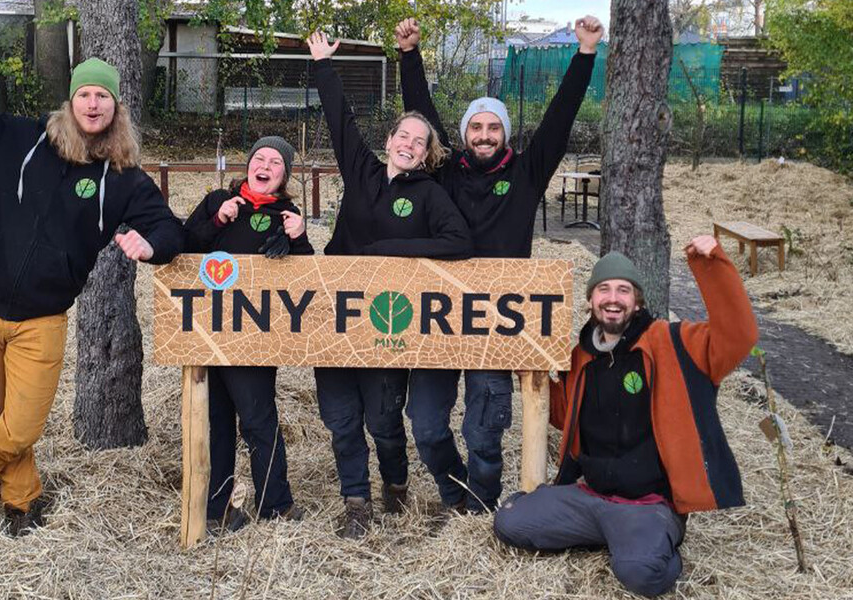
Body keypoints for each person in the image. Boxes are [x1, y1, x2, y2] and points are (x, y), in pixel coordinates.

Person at [0, 54, 184, 537]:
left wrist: (151, 245)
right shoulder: (21, 139)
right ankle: (22, 505)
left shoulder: (123, 177)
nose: (92, 104)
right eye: (84, 94)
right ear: (71, 101)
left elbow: (170, 229)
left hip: (42, 320)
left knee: (20, 426)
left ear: (116, 108)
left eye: (102, 96)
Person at [393, 15, 604, 514]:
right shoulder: (445, 172)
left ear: (504, 134)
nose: (484, 135)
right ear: (465, 134)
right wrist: (409, 55)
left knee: (485, 426)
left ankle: (481, 504)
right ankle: (454, 491)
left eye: (493, 127)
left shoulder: (527, 173)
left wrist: (586, 53)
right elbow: (421, 111)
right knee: (425, 422)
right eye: (476, 127)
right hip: (438, 316)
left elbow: (560, 119)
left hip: (495, 318)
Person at [491, 236, 758, 597]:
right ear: (591, 300)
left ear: (637, 302)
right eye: (603, 289)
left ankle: (651, 542)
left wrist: (712, 267)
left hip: (648, 503)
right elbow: (564, 414)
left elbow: (737, 338)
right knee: (509, 521)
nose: (612, 298)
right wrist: (530, 373)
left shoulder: (674, 343)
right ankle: (610, 535)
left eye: (623, 290)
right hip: (591, 495)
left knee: (641, 575)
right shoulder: (581, 357)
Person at [306, 31, 472, 538]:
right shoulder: (363, 174)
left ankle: (395, 484)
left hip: (388, 320)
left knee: (382, 421)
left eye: (419, 142)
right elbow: (340, 120)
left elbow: (458, 242)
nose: (409, 145)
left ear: (426, 155)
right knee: (340, 419)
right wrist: (321, 66)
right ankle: (356, 501)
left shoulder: (429, 196)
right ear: (390, 142)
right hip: (336, 314)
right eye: (403, 136)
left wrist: (388, 252)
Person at [184, 136, 315, 532]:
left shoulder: (287, 214)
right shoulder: (217, 202)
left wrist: (299, 238)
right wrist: (217, 220)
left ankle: (275, 504)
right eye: (260, 157)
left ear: (284, 176)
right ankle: (217, 508)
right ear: (248, 166)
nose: (265, 165)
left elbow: (305, 278)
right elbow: (183, 246)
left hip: (254, 335)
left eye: (275, 162)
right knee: (217, 421)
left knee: (258, 419)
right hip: (208, 328)